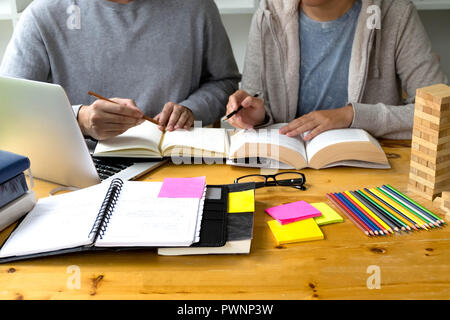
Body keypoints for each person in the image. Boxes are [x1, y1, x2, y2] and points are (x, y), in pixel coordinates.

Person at [0, 0, 241, 140]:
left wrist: (191, 109)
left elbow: (224, 81)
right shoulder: (43, 14)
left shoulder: (196, 7)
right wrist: (78, 119)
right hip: (81, 171)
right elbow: (9, 109)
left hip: (173, 163)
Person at [226, 0, 447, 140]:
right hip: (287, 171)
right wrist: (257, 116)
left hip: (372, 170)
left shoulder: (396, 14)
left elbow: (441, 113)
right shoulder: (267, 15)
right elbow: (253, 102)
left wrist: (351, 115)